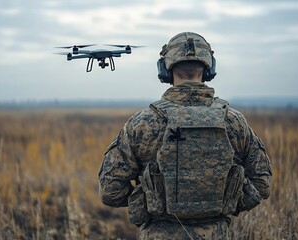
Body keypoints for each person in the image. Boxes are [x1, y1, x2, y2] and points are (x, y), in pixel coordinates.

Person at [98, 32, 272, 239]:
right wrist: (229, 200)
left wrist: (149, 200)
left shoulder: (142, 123)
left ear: (165, 69)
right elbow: (262, 183)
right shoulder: (234, 121)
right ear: (209, 69)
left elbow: (110, 190)